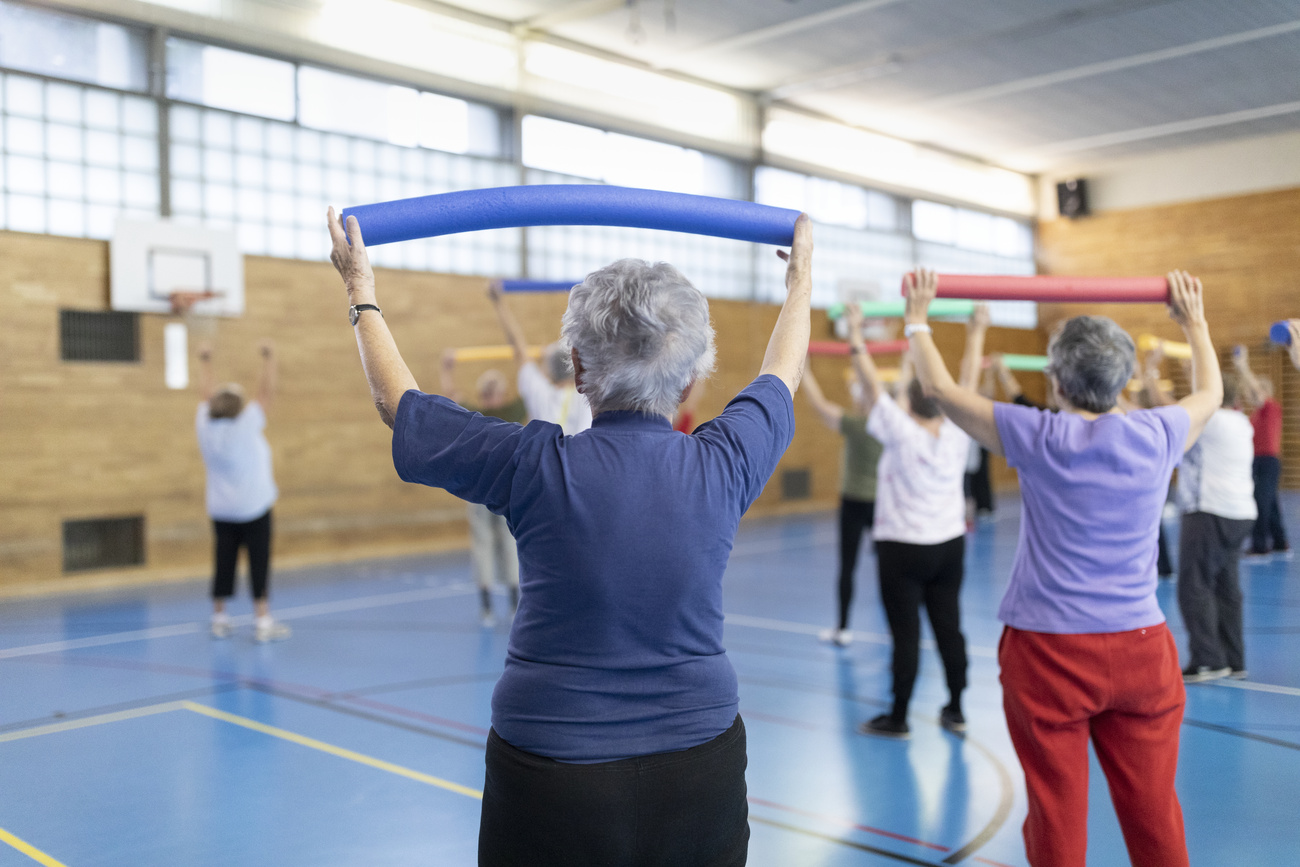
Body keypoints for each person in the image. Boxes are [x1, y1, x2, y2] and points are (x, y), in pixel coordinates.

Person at [328, 206, 812, 867]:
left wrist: (363, 293)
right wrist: (801, 282)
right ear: (692, 376)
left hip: (554, 777)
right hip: (701, 768)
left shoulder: (537, 466)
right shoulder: (723, 463)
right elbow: (781, 373)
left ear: (578, 370)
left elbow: (400, 404)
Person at [904, 267, 1221, 867]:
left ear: (1055, 380)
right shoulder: (1158, 432)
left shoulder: (1038, 434)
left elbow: (942, 392)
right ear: (1124, 378)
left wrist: (919, 318)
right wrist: (1194, 322)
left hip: (1049, 654)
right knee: (1154, 811)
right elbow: (1210, 394)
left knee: (1057, 813)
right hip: (1141, 650)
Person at [854, 301, 989, 739]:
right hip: (948, 546)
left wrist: (857, 335)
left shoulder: (899, 430)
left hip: (902, 548)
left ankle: (898, 716)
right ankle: (956, 706)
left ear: (908, 403)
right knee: (950, 627)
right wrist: (976, 332)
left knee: (906, 636)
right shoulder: (956, 432)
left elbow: (872, 387)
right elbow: (965, 383)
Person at [798, 304, 883, 647]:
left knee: (847, 568)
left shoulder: (857, 423)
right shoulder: (886, 422)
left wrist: (801, 368)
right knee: (888, 568)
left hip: (854, 503)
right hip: (880, 505)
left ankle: (843, 628)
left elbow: (819, 405)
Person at [196, 340, 290, 643]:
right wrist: (270, 359)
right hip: (253, 508)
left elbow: (204, 395)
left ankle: (219, 617)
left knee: (223, 560)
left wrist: (205, 361)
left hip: (221, 509)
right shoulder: (247, 424)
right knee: (258, 561)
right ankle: (262, 621)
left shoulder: (205, 426)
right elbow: (266, 394)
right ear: (240, 407)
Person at [1164, 373, 1255, 681]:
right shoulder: (1241, 422)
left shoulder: (1212, 421)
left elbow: (1164, 413)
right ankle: (1233, 658)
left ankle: (1208, 659)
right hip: (1239, 512)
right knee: (1226, 586)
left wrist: (1148, 376)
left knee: (1194, 585)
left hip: (1209, 511)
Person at [439, 352, 527, 626]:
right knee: (508, 541)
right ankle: (514, 604)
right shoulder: (513, 412)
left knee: (482, 544)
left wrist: (447, 368)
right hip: (505, 488)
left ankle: (487, 607)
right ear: (501, 393)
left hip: (477, 488)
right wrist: (520, 359)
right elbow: (530, 387)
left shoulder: (473, 416)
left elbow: (450, 396)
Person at [488, 281, 593, 435]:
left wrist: (498, 303)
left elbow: (519, 351)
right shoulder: (590, 396)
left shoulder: (542, 395)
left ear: (550, 371)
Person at [1234, 346, 1289, 557]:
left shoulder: (1271, 407)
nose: (1249, 394)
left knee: (1260, 502)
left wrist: (1243, 366)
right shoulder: (1256, 414)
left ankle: (1260, 546)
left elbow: (1256, 391)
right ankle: (1279, 541)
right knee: (1271, 503)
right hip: (1257, 461)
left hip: (1268, 461)